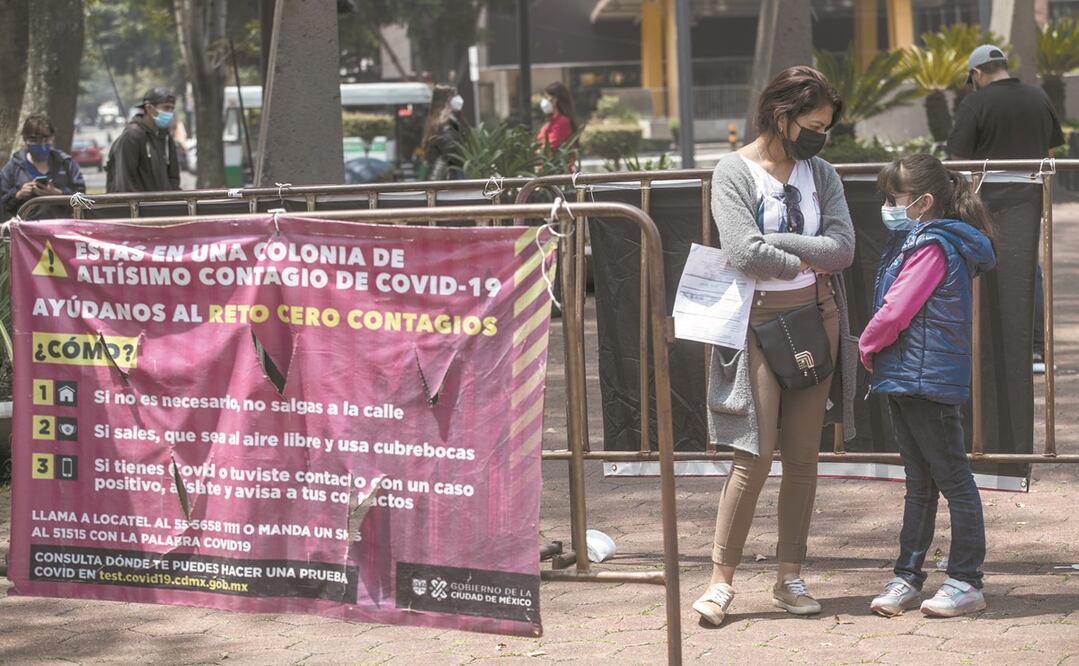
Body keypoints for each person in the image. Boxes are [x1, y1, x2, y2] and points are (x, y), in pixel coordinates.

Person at [693, 66, 857, 627]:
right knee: (753, 455)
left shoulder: (823, 173)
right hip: (752, 326)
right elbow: (741, 252)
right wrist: (805, 253)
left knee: (804, 458)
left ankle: (790, 575)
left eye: (826, 127)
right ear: (781, 116)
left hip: (818, 317)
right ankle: (720, 581)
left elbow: (843, 251)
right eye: (812, 125)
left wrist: (779, 247)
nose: (819, 136)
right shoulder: (732, 171)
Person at [860, 154, 996, 618]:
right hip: (908, 377)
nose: (888, 206)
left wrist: (867, 344)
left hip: (926, 380)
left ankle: (965, 579)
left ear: (923, 201)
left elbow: (896, 310)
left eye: (893, 199)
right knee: (920, 482)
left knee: (952, 479)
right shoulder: (917, 239)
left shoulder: (931, 246)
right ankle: (907, 576)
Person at [947, 44, 1064, 373]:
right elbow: (1051, 148)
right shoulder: (1039, 97)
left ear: (977, 73)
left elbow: (959, 158)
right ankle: (1036, 350)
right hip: (1030, 197)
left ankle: (990, 350)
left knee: (984, 268)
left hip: (987, 201)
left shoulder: (975, 102)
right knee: (1029, 270)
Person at [0, 113, 86, 220]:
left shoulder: (66, 163)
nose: (41, 145)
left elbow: (83, 198)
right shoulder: (13, 167)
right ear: (25, 139)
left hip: (62, 228)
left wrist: (60, 194)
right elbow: (3, 203)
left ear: (52, 138)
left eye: (46, 140)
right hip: (26, 231)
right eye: (35, 140)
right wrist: (18, 195)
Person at [105, 87, 181, 193]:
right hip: (138, 207)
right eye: (166, 108)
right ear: (149, 108)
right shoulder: (132, 136)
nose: (170, 113)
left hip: (163, 207)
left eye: (172, 109)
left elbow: (173, 178)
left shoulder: (166, 138)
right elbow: (126, 181)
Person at [421, 85, 465, 181]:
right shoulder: (447, 123)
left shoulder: (436, 121)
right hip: (452, 173)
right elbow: (451, 150)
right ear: (446, 100)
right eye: (454, 95)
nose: (458, 98)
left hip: (442, 172)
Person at [537, 81, 577, 152]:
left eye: (547, 97)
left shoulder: (562, 122)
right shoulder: (550, 121)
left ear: (555, 99)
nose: (544, 100)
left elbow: (551, 147)